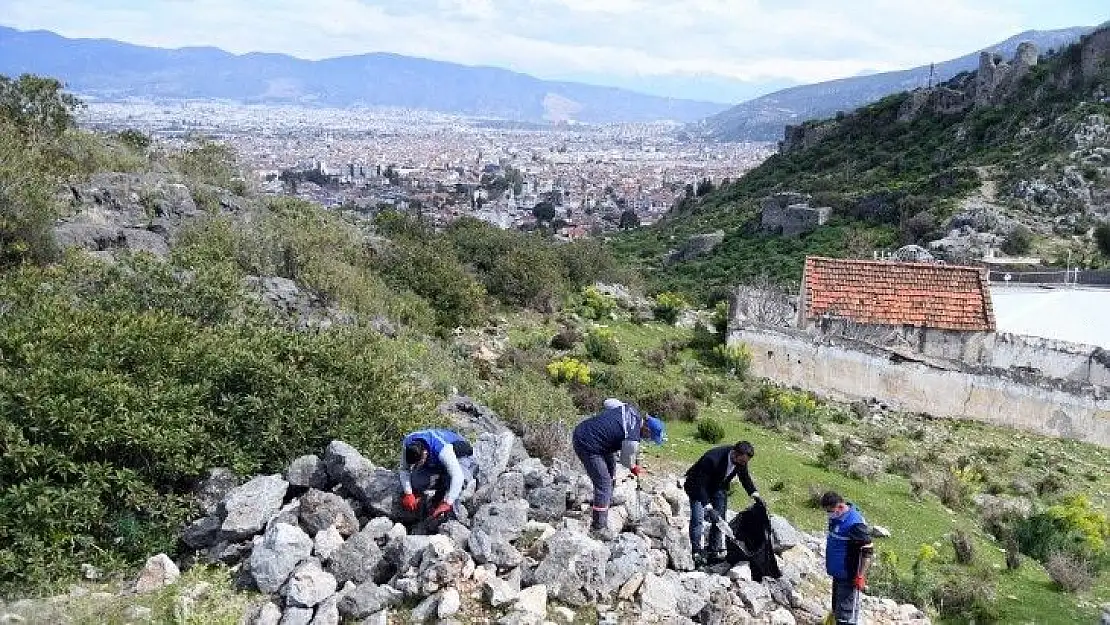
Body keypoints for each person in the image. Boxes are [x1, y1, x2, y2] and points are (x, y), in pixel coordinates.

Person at [572, 398, 666, 538]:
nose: (649, 439)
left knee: (611, 470)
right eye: (650, 436)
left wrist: (612, 420)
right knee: (603, 484)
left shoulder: (630, 409)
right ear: (646, 428)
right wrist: (634, 467)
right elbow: (625, 460)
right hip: (586, 443)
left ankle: (606, 503)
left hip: (592, 434)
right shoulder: (632, 439)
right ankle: (598, 527)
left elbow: (607, 402)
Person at [684, 440, 761, 566]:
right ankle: (696, 552)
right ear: (735, 454)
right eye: (742, 461)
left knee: (719, 519)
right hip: (697, 487)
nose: (743, 464)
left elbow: (744, 477)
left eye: (745, 462)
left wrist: (754, 494)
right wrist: (709, 508)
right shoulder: (712, 458)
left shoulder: (741, 460)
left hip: (718, 487)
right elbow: (700, 485)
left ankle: (712, 552)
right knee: (698, 519)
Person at [398, 428, 475, 521]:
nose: (416, 466)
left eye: (418, 463)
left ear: (424, 453)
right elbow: (404, 469)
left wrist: (447, 503)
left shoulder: (442, 449)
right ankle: (440, 487)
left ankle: (452, 517)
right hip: (436, 461)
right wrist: (409, 493)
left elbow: (458, 476)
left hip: (460, 457)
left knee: (458, 483)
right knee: (416, 481)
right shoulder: (408, 444)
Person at [821, 491, 874, 625]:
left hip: (848, 576)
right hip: (837, 574)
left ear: (839, 507)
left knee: (845, 615)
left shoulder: (855, 523)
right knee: (837, 609)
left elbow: (867, 550)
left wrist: (860, 576)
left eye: (830, 511)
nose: (829, 514)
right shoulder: (837, 518)